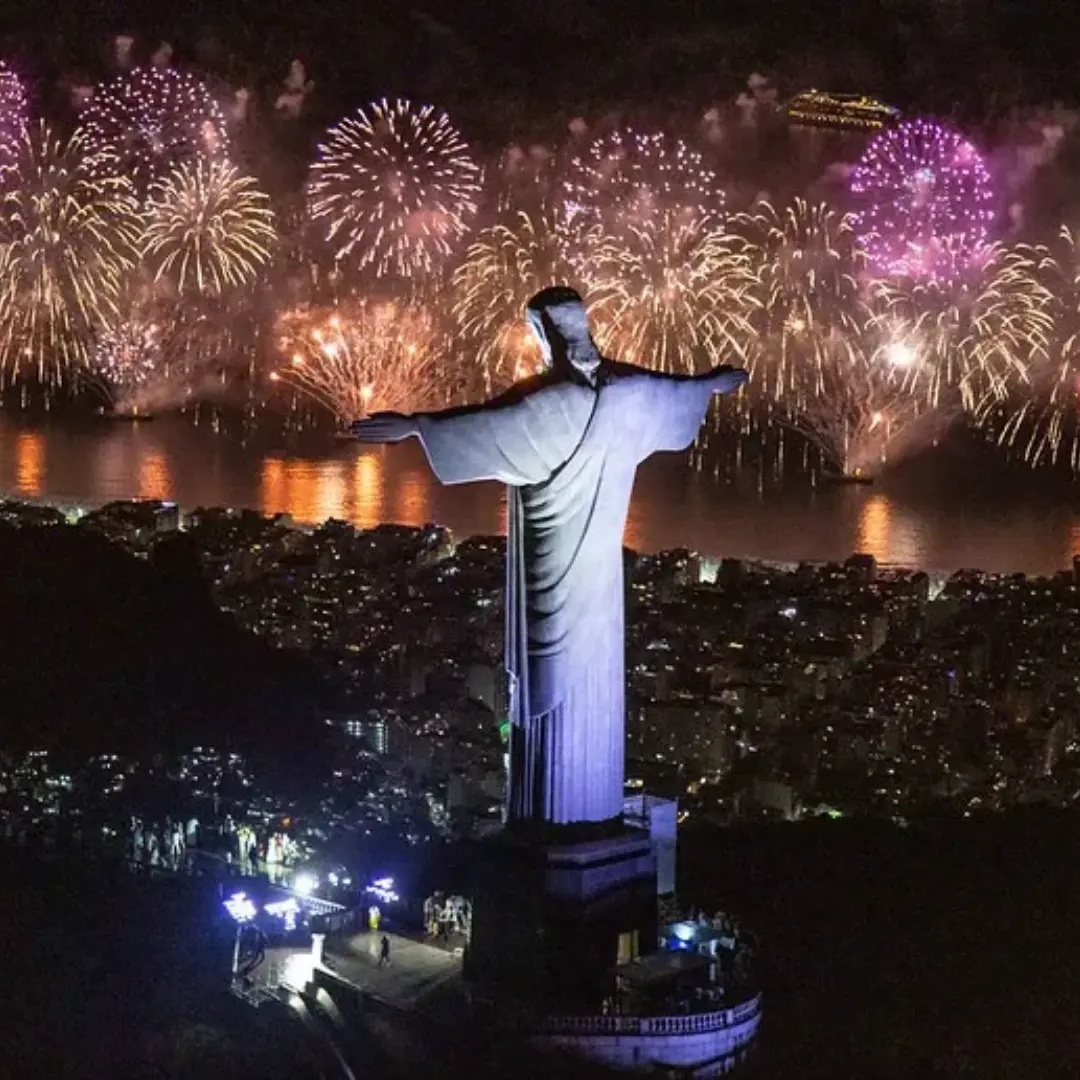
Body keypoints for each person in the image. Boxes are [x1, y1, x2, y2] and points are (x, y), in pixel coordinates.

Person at [352, 286, 748, 829]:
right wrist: (711, 385)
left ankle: (551, 822)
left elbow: (482, 427)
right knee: (592, 683)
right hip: (602, 583)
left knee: (549, 686)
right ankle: (589, 813)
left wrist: (417, 425)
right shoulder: (628, 391)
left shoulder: (549, 403)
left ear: (542, 335)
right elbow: (675, 392)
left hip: (551, 571)